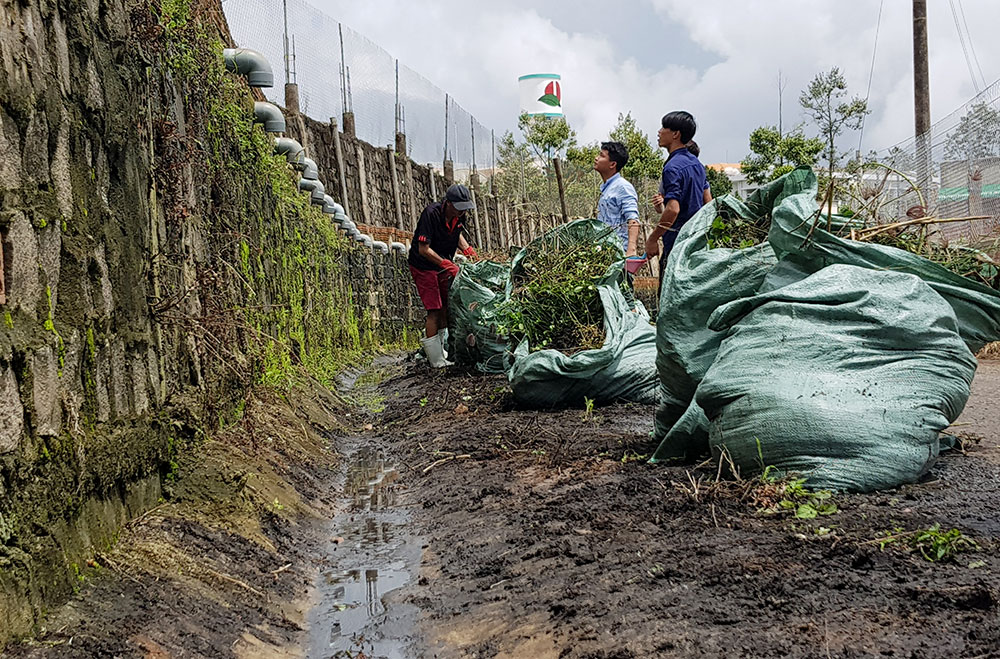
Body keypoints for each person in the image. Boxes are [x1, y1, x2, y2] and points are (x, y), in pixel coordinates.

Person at [408, 184, 478, 368]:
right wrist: (446, 264)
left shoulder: (459, 216)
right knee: (434, 309)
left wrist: (467, 249)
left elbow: (458, 233)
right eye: (458, 208)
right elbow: (423, 249)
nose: (461, 212)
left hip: (442, 265)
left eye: (464, 209)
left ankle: (441, 351)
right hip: (424, 265)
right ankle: (435, 360)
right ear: (448, 203)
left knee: (446, 307)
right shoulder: (430, 214)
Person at [645, 111, 708, 283]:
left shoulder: (672, 167)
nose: (659, 131)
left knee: (668, 296)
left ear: (675, 134)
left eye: (664, 127)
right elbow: (708, 203)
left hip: (676, 244)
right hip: (697, 242)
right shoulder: (698, 165)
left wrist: (653, 238)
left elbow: (673, 209)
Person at [593, 141, 640, 257]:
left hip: (618, 254)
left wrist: (631, 251)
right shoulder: (606, 189)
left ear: (612, 164)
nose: (596, 158)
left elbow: (633, 220)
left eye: (601, 156)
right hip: (605, 252)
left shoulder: (623, 187)